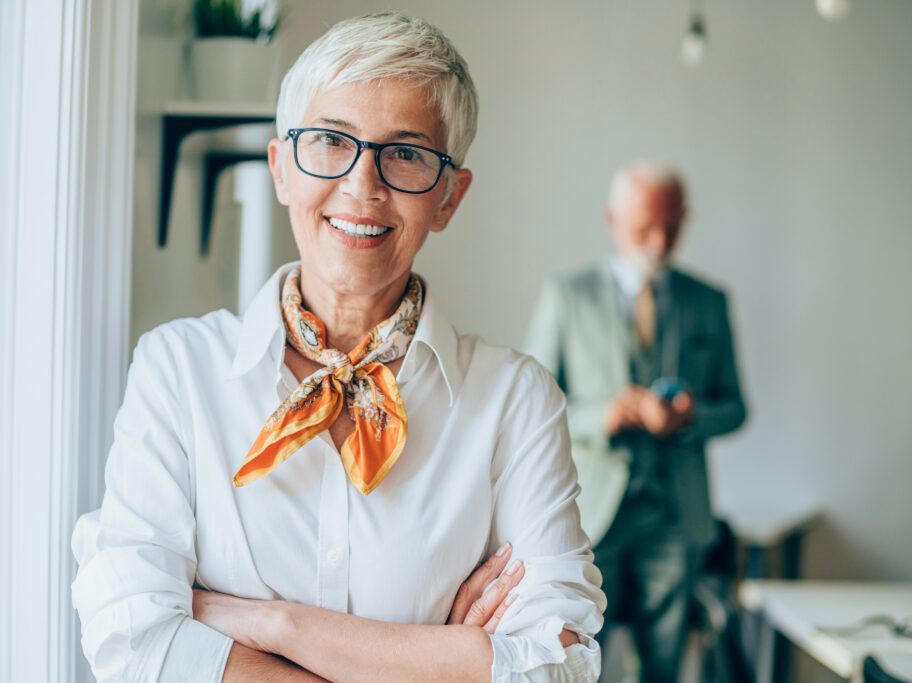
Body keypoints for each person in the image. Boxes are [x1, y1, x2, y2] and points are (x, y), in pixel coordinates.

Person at [72, 12, 604, 682]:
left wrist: (276, 625)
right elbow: (133, 640)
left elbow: (563, 660)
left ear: (448, 198)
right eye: (329, 140)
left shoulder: (516, 401)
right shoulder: (177, 370)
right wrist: (441, 660)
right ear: (281, 168)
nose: (363, 185)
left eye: (406, 152)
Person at [523, 161, 746, 682]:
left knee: (663, 666)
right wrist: (604, 415)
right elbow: (533, 403)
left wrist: (693, 418)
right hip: (590, 515)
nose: (660, 241)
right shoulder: (567, 296)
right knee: (575, 660)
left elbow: (735, 407)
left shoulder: (710, 303)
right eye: (645, 227)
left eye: (671, 227)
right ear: (612, 219)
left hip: (676, 517)